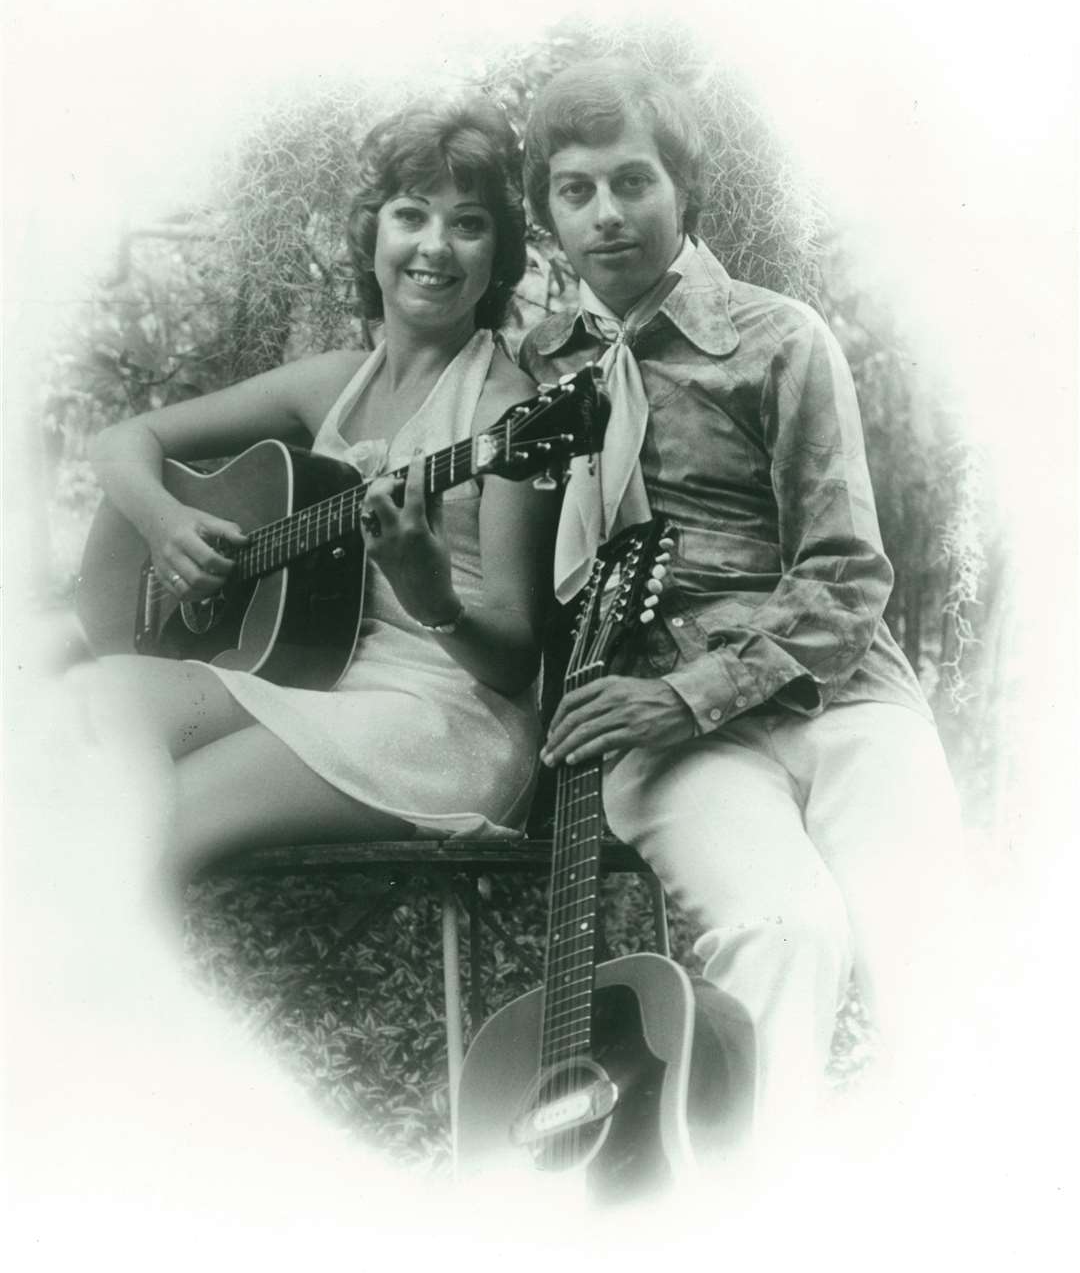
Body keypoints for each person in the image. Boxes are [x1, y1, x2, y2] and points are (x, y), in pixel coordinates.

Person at [519, 59, 967, 1161]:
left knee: (931, 946)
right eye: (576, 191)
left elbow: (850, 574)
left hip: (839, 693)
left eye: (634, 180)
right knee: (781, 930)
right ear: (548, 219)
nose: (608, 212)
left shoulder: (777, 338)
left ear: (685, 189)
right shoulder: (539, 379)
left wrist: (691, 695)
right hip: (659, 726)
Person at [88, 95, 558, 882]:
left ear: (497, 257)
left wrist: (433, 597)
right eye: (412, 215)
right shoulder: (334, 383)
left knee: (152, 823)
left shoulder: (509, 414)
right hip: (314, 683)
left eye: (469, 224)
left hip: (441, 720)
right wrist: (167, 522)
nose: (435, 247)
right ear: (373, 233)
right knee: (78, 717)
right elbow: (120, 444)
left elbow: (513, 661)